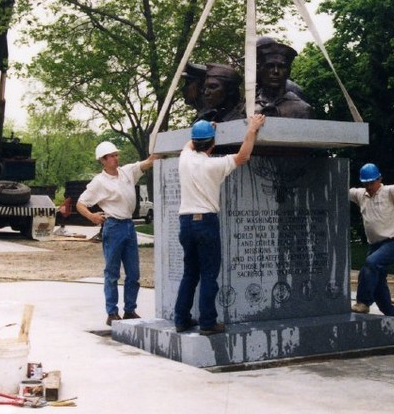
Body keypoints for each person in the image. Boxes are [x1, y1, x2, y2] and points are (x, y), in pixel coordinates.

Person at [174, 114, 266, 335]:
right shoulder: (214, 165)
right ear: (213, 144)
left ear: (195, 142)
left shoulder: (184, 158)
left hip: (186, 222)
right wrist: (252, 128)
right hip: (205, 222)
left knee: (190, 273)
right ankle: (207, 323)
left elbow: (189, 144)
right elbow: (243, 156)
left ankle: (181, 319)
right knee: (208, 274)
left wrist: (206, 129)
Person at [77, 141, 159, 326]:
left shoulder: (127, 172)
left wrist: (158, 151)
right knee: (112, 272)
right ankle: (112, 312)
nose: (116, 158)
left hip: (129, 226)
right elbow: (81, 203)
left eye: (116, 155)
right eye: (112, 156)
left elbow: (146, 163)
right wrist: (91, 216)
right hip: (113, 226)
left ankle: (130, 310)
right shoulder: (99, 182)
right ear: (103, 160)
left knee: (133, 272)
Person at [349, 159, 394, 326]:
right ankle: (393, 318)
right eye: (365, 183)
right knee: (379, 284)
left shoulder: (390, 192)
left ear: (379, 179)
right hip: (374, 245)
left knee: (370, 264)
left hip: (392, 243)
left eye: (371, 182)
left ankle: (363, 302)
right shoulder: (361, 195)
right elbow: (342, 189)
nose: (368, 186)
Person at [254, 39, 313, 118]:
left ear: (289, 71)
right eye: (270, 66)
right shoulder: (248, 107)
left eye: (282, 67)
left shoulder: (302, 109)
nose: (276, 71)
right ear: (259, 69)